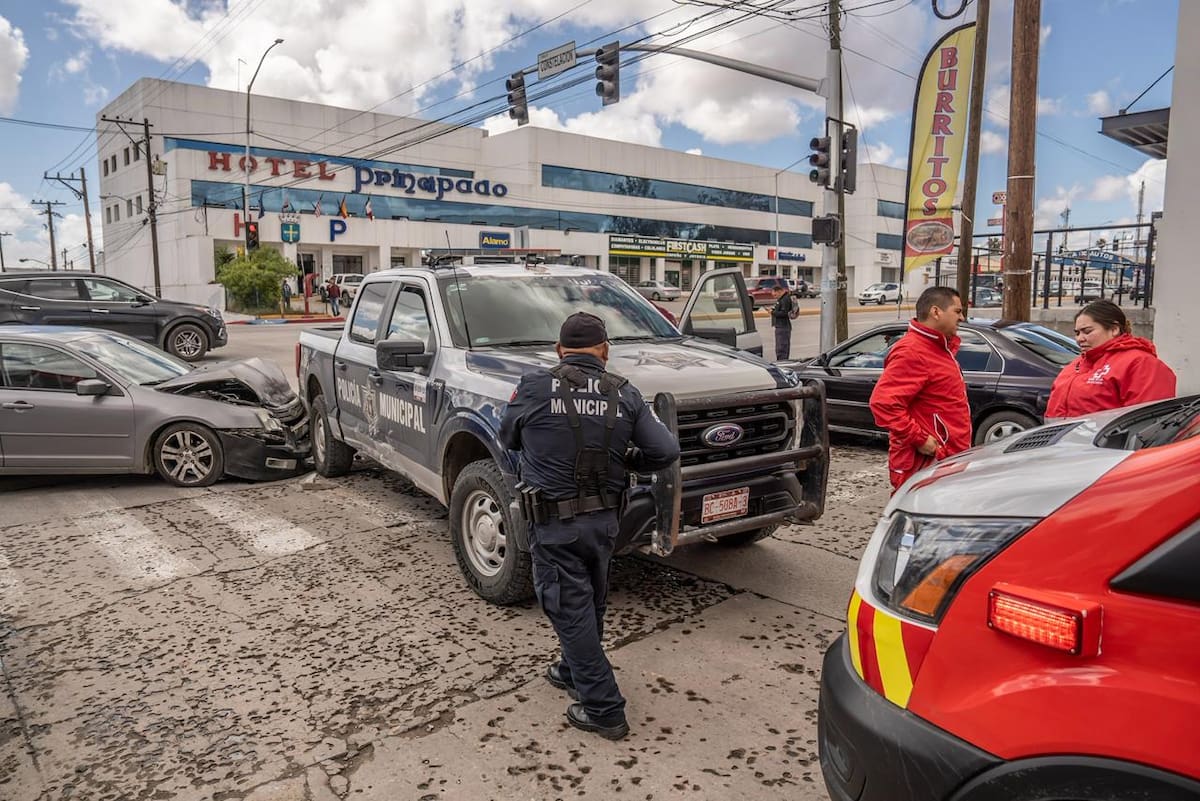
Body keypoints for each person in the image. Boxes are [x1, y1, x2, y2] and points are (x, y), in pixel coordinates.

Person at [499, 312, 680, 741]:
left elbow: (508, 438)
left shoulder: (533, 387)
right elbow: (665, 450)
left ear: (560, 350)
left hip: (554, 521)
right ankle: (570, 668)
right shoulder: (626, 393)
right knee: (589, 600)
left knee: (567, 606)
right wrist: (632, 460)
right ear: (604, 350)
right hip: (605, 523)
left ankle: (604, 708)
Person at [869, 286, 972, 491]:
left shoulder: (938, 349)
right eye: (957, 311)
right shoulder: (913, 351)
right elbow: (883, 403)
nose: (962, 318)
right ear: (936, 312)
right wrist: (921, 439)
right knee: (921, 520)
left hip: (946, 460)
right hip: (926, 464)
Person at [1046, 299, 1176, 419]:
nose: (1079, 339)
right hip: (1064, 442)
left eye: (1087, 331)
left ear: (1114, 329)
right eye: (1077, 333)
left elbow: (1149, 421)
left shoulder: (1141, 364)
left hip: (1105, 444)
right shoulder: (1076, 364)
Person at [770, 287, 798, 361]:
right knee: (781, 348)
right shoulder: (782, 299)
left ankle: (782, 363)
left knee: (782, 348)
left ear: (779, 291)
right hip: (781, 326)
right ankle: (782, 361)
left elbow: (784, 313)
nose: (774, 296)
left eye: (775, 295)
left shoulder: (785, 299)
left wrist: (772, 312)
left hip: (783, 327)